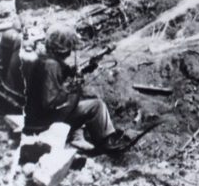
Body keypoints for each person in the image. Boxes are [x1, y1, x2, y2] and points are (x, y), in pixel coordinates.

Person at [24, 23, 129, 152]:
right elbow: (49, 102)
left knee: (80, 97)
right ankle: (105, 142)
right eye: (69, 47)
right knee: (96, 105)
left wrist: (87, 68)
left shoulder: (44, 60)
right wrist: (69, 89)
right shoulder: (51, 66)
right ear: (62, 48)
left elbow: (64, 73)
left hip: (34, 117)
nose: (70, 52)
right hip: (43, 122)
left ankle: (76, 135)